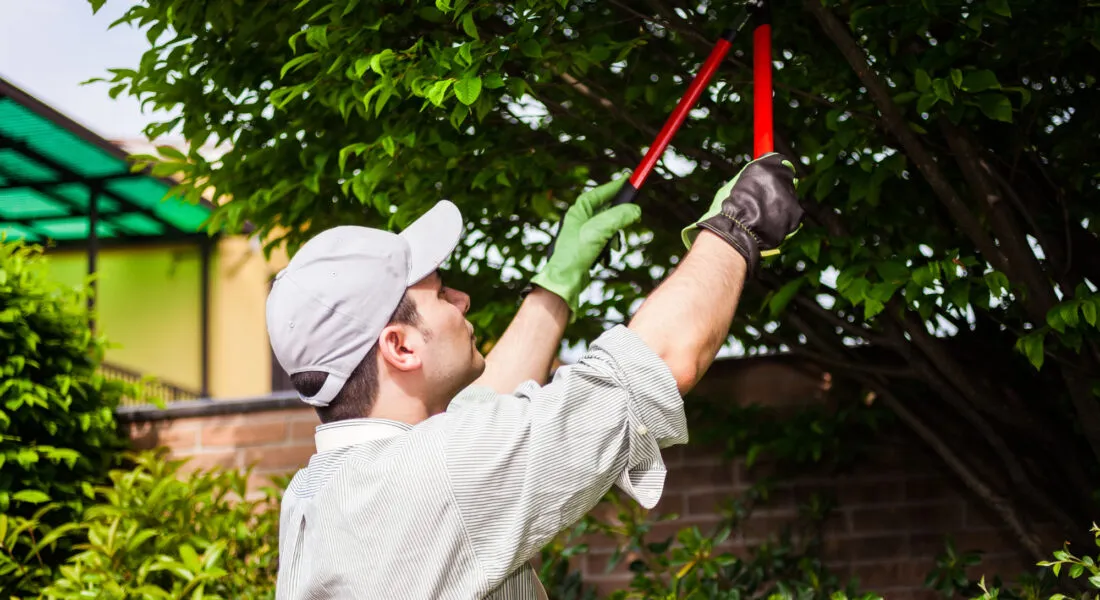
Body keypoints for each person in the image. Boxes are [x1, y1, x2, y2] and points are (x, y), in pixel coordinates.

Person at [266, 152, 803, 599]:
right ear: (400, 346)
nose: (462, 299)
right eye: (439, 292)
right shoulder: (438, 472)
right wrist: (736, 226)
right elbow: (656, 364)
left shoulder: (316, 492)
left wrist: (558, 279)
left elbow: (482, 416)